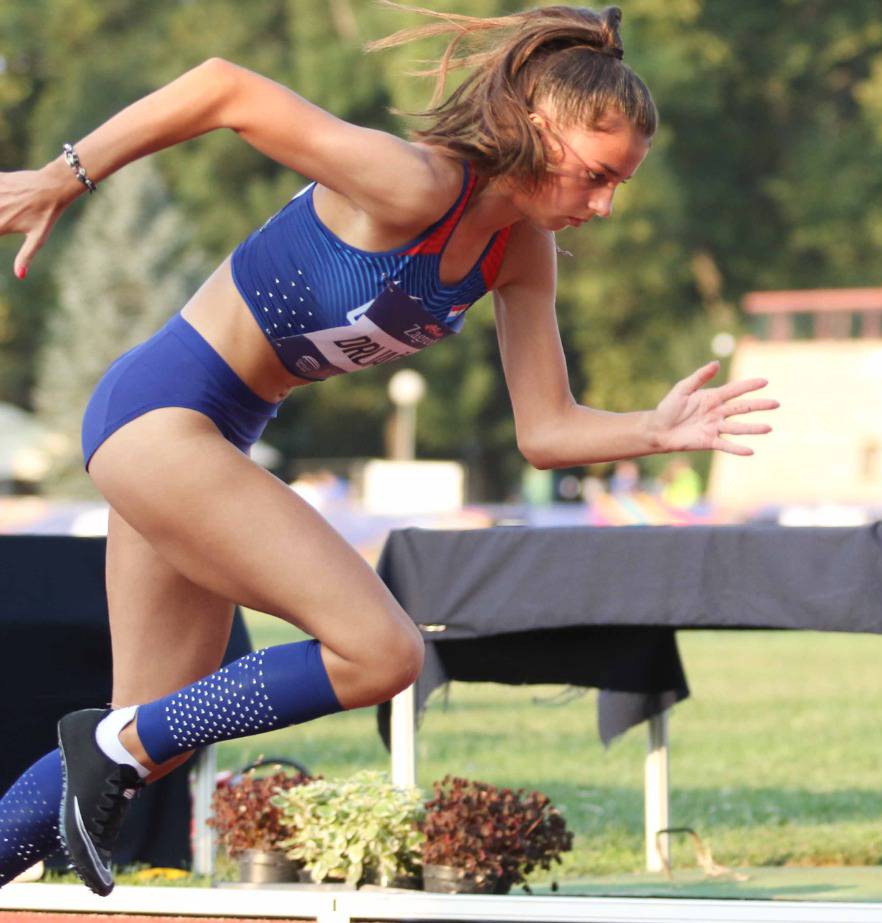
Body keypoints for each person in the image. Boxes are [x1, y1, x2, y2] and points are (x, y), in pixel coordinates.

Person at [0, 3, 776, 895]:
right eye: (598, 176)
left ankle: (75, 778)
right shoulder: (414, 186)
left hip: (209, 438)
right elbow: (224, 86)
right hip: (159, 419)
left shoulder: (520, 254)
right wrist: (64, 175)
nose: (602, 205)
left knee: (150, 740)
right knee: (381, 652)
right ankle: (106, 743)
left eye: (619, 187)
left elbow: (545, 430)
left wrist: (650, 427)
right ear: (537, 127)